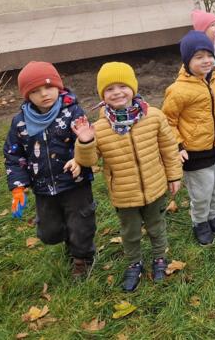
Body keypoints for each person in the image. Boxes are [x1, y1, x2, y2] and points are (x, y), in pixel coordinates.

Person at [72, 62, 182, 292]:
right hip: (124, 193)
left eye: (123, 86)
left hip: (154, 186)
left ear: (133, 87)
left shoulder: (154, 116)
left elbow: (169, 149)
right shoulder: (99, 128)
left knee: (156, 226)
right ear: (102, 94)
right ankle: (134, 263)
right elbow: (89, 161)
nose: (117, 92)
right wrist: (85, 141)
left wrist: (174, 176)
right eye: (110, 89)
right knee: (130, 232)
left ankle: (160, 257)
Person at [4, 61, 95, 279]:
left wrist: (79, 159)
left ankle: (82, 259)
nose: (44, 94)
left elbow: (86, 139)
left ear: (58, 86)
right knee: (49, 232)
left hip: (75, 183)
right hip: (43, 187)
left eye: (48, 87)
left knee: (81, 223)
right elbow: (14, 155)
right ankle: (69, 241)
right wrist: (18, 187)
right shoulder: (20, 122)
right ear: (27, 95)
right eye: (35, 91)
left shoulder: (72, 112)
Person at [162, 31, 215, 246]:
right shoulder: (178, 90)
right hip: (194, 151)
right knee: (202, 192)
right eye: (199, 57)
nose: (206, 61)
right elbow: (168, 121)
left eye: (209, 55)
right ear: (187, 60)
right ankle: (200, 221)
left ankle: (214, 215)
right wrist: (178, 145)